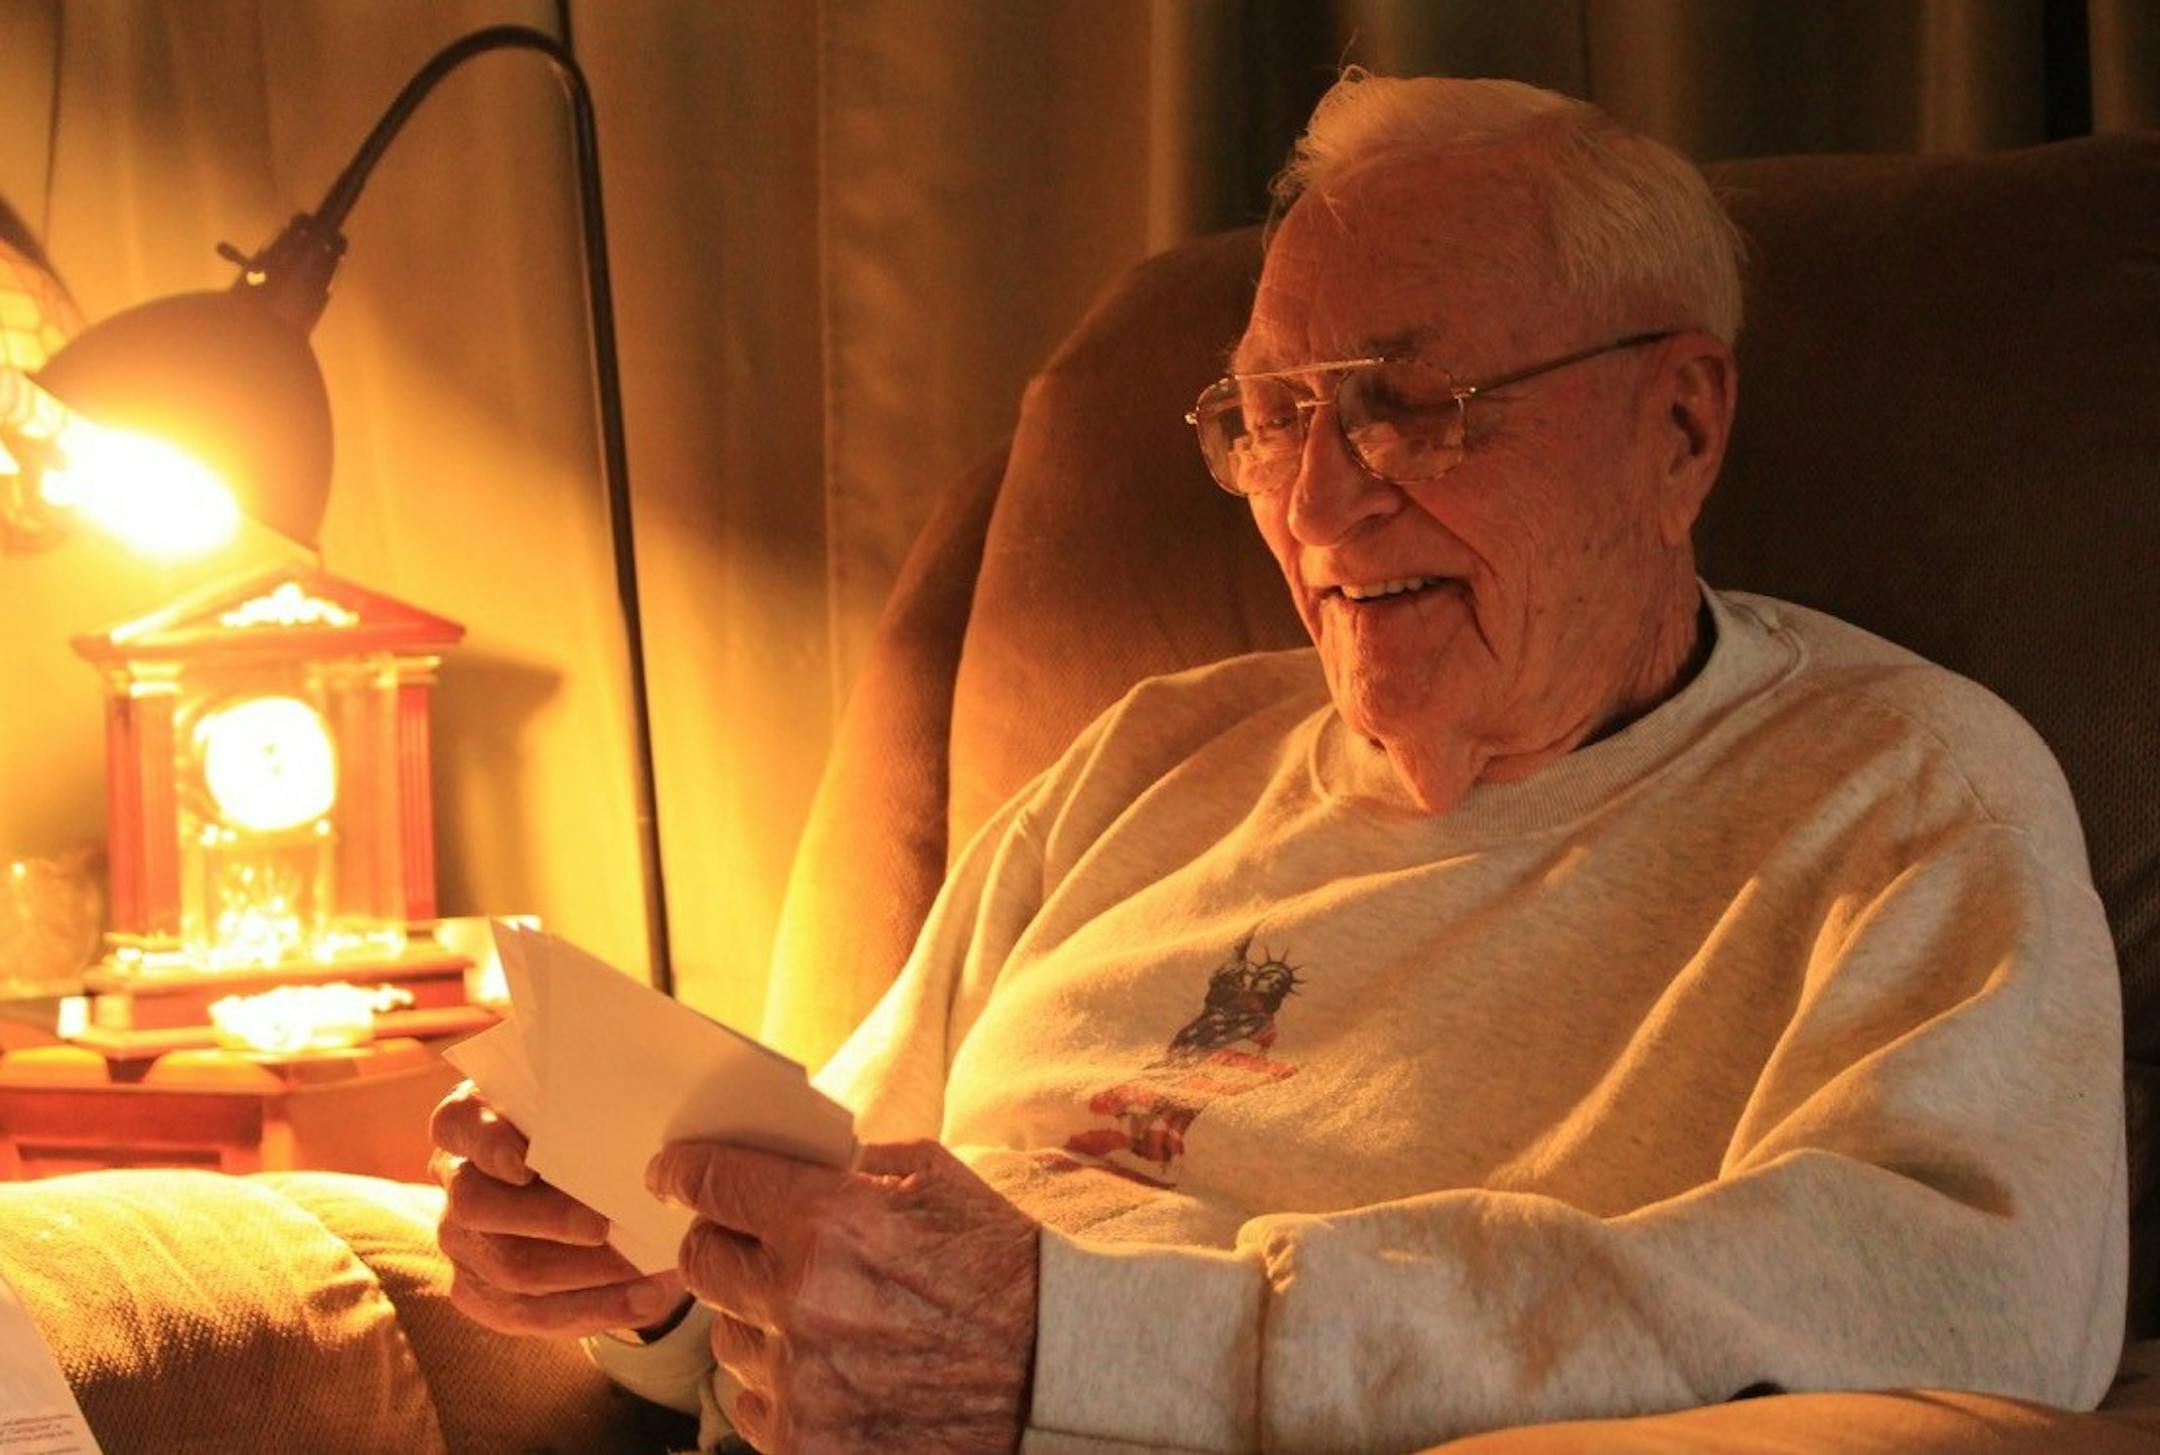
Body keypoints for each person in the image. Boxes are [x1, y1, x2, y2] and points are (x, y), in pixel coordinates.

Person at [429, 70, 2126, 1453]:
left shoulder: (1900, 793)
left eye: (1413, 405)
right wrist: (654, 1264)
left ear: (1679, 426)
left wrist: (1088, 1348)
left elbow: (1964, 1307)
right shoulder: (1147, 764)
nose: (1317, 506)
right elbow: (844, 1248)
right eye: (1273, 417)